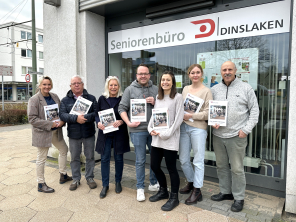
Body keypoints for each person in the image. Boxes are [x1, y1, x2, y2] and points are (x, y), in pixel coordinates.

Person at [211, 61, 259, 212]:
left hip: (237, 136)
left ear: (235, 70)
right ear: (220, 72)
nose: (227, 72)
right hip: (218, 135)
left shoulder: (246, 88)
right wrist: (211, 122)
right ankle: (225, 192)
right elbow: (209, 109)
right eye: (224, 69)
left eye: (229, 69)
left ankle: (239, 197)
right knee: (221, 166)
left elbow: (255, 111)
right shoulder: (215, 89)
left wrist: (246, 129)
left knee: (237, 169)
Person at [118, 64, 159, 202]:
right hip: (137, 131)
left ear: (149, 75)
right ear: (136, 75)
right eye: (140, 74)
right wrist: (128, 123)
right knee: (140, 160)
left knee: (155, 159)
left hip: (153, 130)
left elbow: (164, 108)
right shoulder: (129, 90)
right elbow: (121, 108)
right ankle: (140, 187)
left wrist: (155, 102)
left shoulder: (155, 89)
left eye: (145, 73)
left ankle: (153, 183)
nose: (143, 76)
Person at [28, 76, 72, 193]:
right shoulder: (34, 99)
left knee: (63, 149)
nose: (47, 87)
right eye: (44, 84)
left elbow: (61, 112)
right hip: (43, 133)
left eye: (49, 84)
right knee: (42, 158)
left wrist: (62, 121)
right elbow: (32, 119)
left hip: (56, 131)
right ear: (40, 85)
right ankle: (41, 184)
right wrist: (49, 124)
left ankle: (63, 174)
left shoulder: (55, 96)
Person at [147, 71, 183, 211]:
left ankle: (174, 197)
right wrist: (150, 129)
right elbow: (154, 116)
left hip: (170, 139)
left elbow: (178, 119)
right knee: (154, 166)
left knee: (171, 168)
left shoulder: (178, 97)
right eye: (163, 80)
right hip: (157, 138)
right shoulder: (159, 97)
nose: (165, 82)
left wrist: (167, 133)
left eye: (168, 80)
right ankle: (163, 191)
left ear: (172, 82)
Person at [179, 64, 213, 204]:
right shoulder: (186, 89)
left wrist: (192, 115)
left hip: (198, 128)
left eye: (198, 72)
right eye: (192, 72)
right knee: (183, 159)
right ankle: (192, 182)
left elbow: (208, 112)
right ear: (189, 75)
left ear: (201, 74)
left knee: (198, 160)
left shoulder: (207, 91)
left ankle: (197, 190)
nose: (195, 75)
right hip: (184, 127)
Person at [60, 75, 98, 191]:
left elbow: (96, 113)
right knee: (74, 158)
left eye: (79, 83)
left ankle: (90, 177)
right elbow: (62, 115)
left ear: (82, 84)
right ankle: (76, 179)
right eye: (74, 83)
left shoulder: (91, 98)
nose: (76, 85)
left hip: (88, 133)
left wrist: (84, 117)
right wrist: (76, 118)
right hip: (74, 134)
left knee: (90, 157)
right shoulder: (65, 100)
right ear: (70, 86)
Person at [95, 76, 130, 198]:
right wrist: (98, 122)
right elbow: (96, 114)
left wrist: (122, 121)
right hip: (105, 135)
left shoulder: (123, 99)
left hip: (119, 134)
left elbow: (128, 113)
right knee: (104, 159)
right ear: (107, 86)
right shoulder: (101, 99)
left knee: (119, 159)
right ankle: (105, 185)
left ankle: (118, 182)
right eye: (111, 85)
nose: (113, 87)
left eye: (115, 85)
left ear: (119, 87)